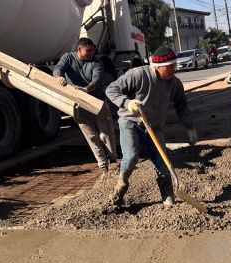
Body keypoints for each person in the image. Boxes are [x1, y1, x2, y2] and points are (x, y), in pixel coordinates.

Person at [105, 45, 198, 207]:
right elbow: (111, 89)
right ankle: (122, 183)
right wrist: (127, 103)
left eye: (174, 66)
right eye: (170, 67)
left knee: (162, 161)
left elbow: (181, 105)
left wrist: (190, 127)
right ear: (157, 66)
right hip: (131, 123)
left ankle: (168, 195)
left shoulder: (174, 83)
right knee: (132, 156)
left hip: (154, 127)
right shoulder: (138, 75)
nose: (173, 70)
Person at [53, 37, 117, 174]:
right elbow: (58, 69)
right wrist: (59, 77)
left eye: (93, 50)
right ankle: (103, 167)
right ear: (79, 50)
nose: (91, 53)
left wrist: (86, 89)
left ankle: (113, 161)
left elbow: (97, 81)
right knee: (92, 137)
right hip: (79, 104)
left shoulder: (97, 61)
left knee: (106, 134)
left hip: (98, 103)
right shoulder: (68, 58)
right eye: (88, 50)